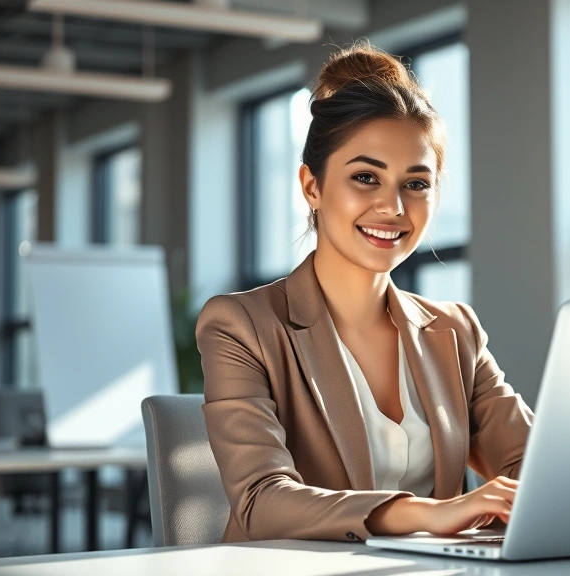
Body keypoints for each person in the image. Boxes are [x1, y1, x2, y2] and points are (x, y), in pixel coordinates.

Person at [196, 42, 534, 544]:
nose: (393, 206)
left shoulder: (455, 330)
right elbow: (262, 500)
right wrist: (427, 514)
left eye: (416, 184)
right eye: (364, 177)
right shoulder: (241, 325)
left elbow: (533, 464)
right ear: (312, 186)